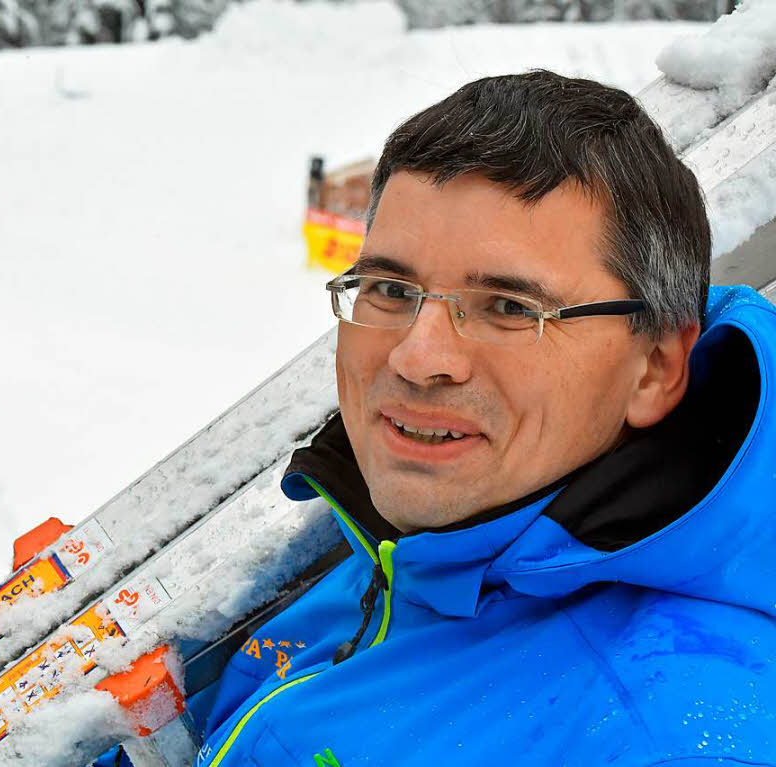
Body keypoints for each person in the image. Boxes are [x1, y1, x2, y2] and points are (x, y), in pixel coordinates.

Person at [188, 71, 776, 766]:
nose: (416, 357)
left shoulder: (664, 738)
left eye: (509, 307)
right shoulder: (426, 536)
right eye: (389, 288)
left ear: (652, 369)